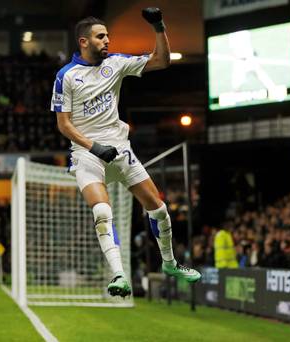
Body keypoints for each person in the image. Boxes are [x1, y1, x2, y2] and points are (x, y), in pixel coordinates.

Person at [50, 9, 201, 298]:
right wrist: (94, 147)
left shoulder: (116, 63)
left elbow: (162, 61)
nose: (107, 40)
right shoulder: (66, 76)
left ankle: (170, 264)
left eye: (108, 35)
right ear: (84, 41)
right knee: (103, 210)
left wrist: (158, 26)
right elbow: (63, 124)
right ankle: (119, 274)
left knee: (159, 208)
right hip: (87, 153)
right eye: (101, 36)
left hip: (120, 150)